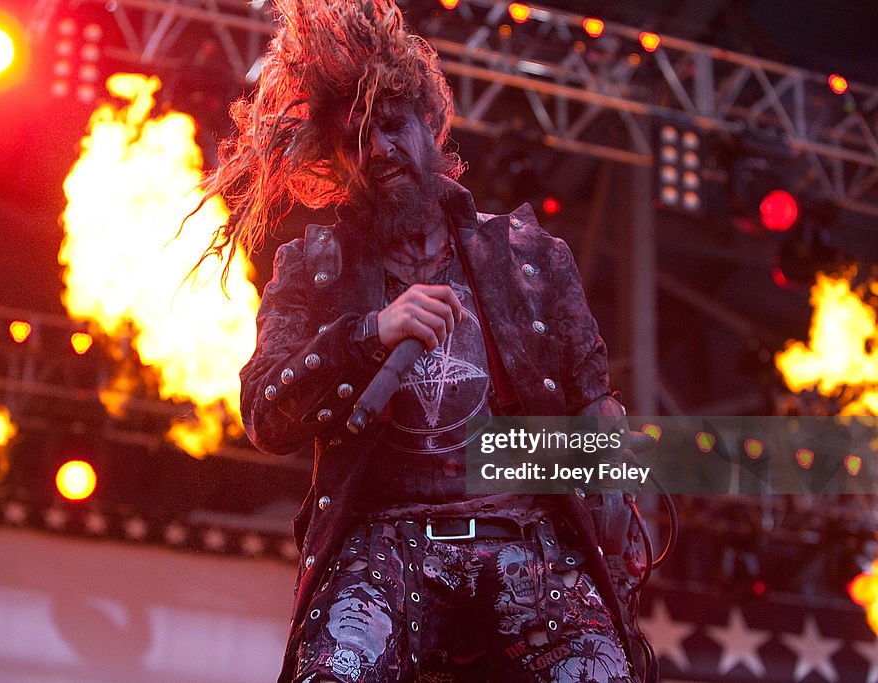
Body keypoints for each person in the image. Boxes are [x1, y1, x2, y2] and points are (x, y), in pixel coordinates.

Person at [188, 1, 656, 681]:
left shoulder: (530, 255)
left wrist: (605, 461)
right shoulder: (315, 266)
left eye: (393, 125)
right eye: (356, 138)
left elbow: (590, 417)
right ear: (336, 159)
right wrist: (367, 334)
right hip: (385, 544)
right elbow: (264, 412)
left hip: (526, 541)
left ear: (432, 123)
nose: (379, 150)